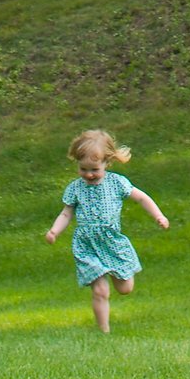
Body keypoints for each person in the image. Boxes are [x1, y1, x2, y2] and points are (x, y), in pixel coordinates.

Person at [45, 128, 169, 332]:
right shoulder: (75, 188)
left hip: (111, 241)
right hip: (87, 245)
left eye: (94, 169)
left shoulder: (117, 183)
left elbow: (141, 198)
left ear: (107, 163)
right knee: (100, 291)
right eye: (83, 169)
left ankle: (114, 271)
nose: (89, 174)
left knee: (125, 288)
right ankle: (104, 331)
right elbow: (66, 213)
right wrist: (54, 231)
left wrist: (159, 216)